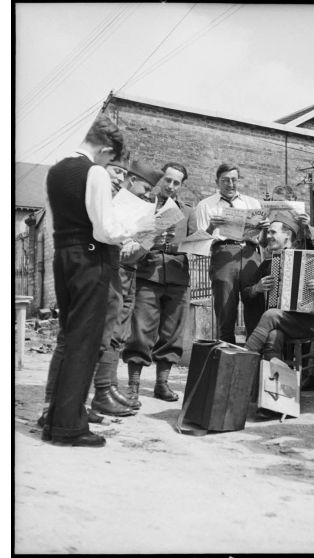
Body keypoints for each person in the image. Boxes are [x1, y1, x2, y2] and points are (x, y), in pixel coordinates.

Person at [42, 114, 155, 447]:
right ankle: (69, 427)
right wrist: (137, 228)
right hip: (91, 259)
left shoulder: (56, 170)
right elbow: (104, 229)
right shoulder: (93, 172)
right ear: (105, 148)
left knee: (70, 335)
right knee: (85, 342)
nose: (109, 165)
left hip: (64, 257)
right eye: (111, 159)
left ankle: (55, 418)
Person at [89, 159, 162, 415]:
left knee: (120, 333)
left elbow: (132, 255)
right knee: (109, 332)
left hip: (129, 274)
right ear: (131, 181)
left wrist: (150, 238)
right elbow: (115, 248)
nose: (146, 195)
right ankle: (105, 389)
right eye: (145, 189)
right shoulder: (113, 204)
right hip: (114, 272)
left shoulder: (138, 210)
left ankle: (110, 388)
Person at [123, 162, 197, 404]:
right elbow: (131, 238)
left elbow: (196, 242)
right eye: (168, 180)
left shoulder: (187, 211)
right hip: (148, 272)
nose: (171, 186)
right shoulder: (145, 205)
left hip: (178, 275)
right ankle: (133, 386)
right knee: (141, 330)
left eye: (177, 183)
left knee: (172, 333)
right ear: (160, 180)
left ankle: (161, 384)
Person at [244, 215, 314, 360]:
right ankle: (273, 378)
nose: (268, 236)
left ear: (288, 234)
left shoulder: (308, 258)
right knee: (274, 335)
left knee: (270, 315)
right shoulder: (267, 264)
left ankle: (243, 358)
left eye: (273, 232)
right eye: (268, 233)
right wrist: (257, 288)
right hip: (279, 323)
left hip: (303, 323)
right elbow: (245, 293)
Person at [196, 163, 267, 343]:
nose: (230, 184)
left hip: (250, 253)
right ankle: (226, 354)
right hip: (223, 253)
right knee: (225, 306)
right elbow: (201, 240)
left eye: (234, 180)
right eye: (225, 180)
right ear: (217, 182)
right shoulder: (205, 205)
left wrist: (264, 228)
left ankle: (254, 355)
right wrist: (213, 226)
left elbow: (263, 240)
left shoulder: (252, 203)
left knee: (255, 303)